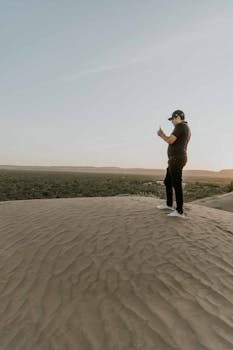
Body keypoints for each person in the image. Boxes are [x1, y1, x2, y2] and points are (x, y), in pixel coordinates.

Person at [156, 109, 191, 218]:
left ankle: (179, 211)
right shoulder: (184, 128)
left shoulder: (180, 126)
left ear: (178, 117)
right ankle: (169, 204)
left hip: (177, 159)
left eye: (173, 119)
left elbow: (170, 140)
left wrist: (162, 135)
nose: (172, 121)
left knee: (176, 184)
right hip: (174, 159)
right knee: (167, 182)